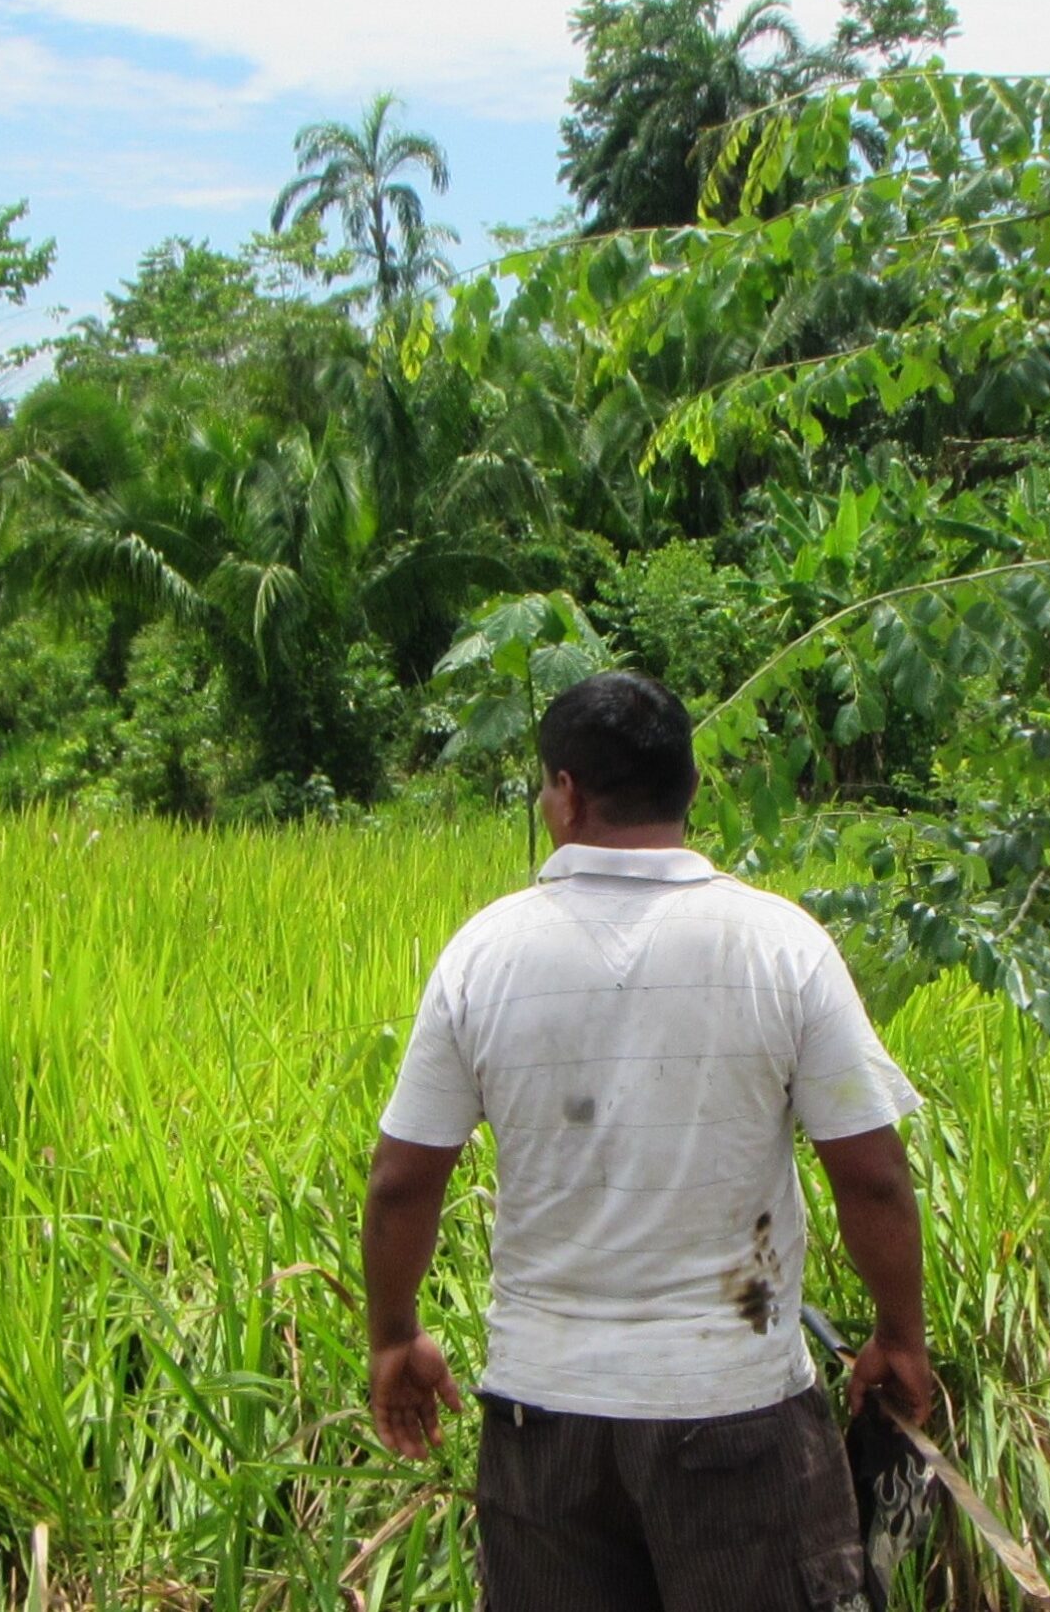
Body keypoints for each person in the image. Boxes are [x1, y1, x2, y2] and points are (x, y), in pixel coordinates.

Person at [361, 671, 931, 1612]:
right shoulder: (779, 944)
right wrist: (899, 1338)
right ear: (689, 788)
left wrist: (395, 1336)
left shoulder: (486, 953)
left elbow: (399, 1184)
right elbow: (870, 1178)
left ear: (569, 792)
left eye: (546, 787)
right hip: (737, 1411)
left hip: (543, 1423)